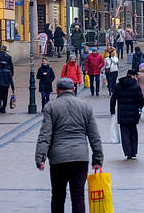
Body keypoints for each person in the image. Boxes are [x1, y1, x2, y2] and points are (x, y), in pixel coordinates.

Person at [35, 77, 104, 213]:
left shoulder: (50, 107)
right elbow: (94, 136)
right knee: (78, 196)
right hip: (80, 158)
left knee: (58, 196)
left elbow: (45, 134)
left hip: (58, 158)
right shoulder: (85, 107)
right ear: (73, 89)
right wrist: (98, 159)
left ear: (57, 90)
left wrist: (40, 157)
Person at [110, 68, 144, 159]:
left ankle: (128, 152)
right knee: (133, 132)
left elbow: (113, 99)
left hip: (122, 113)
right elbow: (141, 100)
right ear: (133, 76)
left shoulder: (118, 85)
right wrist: (140, 107)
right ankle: (133, 151)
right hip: (133, 113)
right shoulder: (136, 86)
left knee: (124, 134)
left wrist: (112, 111)